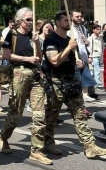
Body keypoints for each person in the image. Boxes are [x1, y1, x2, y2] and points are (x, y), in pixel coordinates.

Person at [43, 11, 106, 161]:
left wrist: (80, 63)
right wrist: (68, 48)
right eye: (65, 20)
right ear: (58, 22)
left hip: (72, 82)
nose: (68, 22)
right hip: (56, 83)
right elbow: (54, 61)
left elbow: (75, 61)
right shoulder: (51, 40)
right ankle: (48, 142)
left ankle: (90, 146)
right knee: (52, 116)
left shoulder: (71, 40)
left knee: (80, 115)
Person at [0, 8, 51, 164]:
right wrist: (27, 59)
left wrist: (36, 43)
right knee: (16, 113)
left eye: (32, 20)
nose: (31, 23)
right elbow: (7, 55)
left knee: (40, 114)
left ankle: (36, 150)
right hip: (19, 73)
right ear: (19, 21)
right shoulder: (12, 34)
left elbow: (39, 58)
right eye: (28, 20)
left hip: (35, 76)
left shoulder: (33, 36)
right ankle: (3, 136)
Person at [71, 11, 98, 103]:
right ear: (71, 17)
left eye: (80, 16)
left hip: (83, 54)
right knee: (79, 75)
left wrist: (89, 53)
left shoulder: (83, 28)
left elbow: (85, 41)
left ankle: (85, 94)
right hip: (74, 54)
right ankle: (82, 95)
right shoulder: (69, 29)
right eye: (77, 16)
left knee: (84, 73)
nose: (79, 18)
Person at [88, 24, 104, 89]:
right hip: (94, 56)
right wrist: (90, 56)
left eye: (99, 29)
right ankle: (99, 84)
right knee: (97, 71)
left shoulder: (100, 38)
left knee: (93, 72)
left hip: (99, 56)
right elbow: (90, 48)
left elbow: (102, 47)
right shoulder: (91, 38)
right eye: (97, 29)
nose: (99, 31)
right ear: (93, 30)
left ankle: (90, 83)